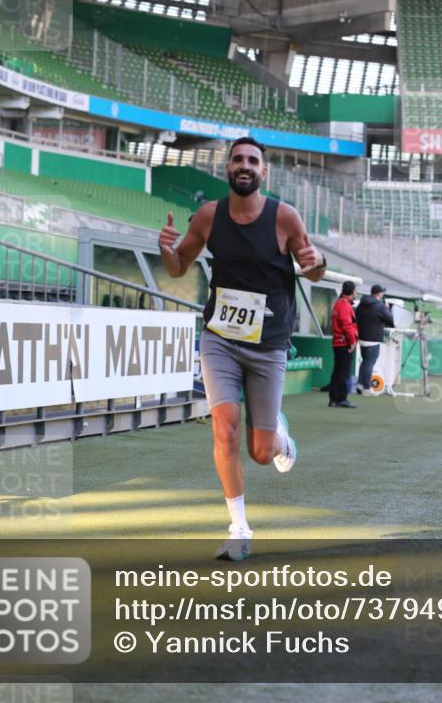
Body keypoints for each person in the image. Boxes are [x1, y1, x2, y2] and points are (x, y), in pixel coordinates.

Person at [158, 136, 326, 561]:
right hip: (219, 338)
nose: (245, 165)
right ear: (227, 168)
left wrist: (318, 263)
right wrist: (166, 250)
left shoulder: (284, 217)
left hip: (268, 344)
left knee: (261, 452)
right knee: (225, 427)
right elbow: (178, 267)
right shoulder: (209, 217)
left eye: (253, 160)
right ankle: (239, 528)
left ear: (263, 171)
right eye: (237, 159)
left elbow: (312, 270)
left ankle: (281, 440)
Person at [355, 284, 394, 394]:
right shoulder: (380, 306)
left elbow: (356, 315)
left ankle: (360, 384)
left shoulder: (362, 303)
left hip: (362, 337)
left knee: (365, 362)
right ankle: (367, 388)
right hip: (373, 339)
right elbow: (390, 319)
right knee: (369, 363)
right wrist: (387, 308)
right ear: (379, 293)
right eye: (382, 292)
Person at [329, 281, 358, 408]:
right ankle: (341, 399)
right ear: (352, 291)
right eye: (355, 290)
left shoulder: (338, 303)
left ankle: (333, 399)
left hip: (338, 342)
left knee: (337, 372)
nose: (356, 292)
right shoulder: (345, 305)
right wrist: (352, 341)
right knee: (343, 373)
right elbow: (347, 326)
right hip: (344, 343)